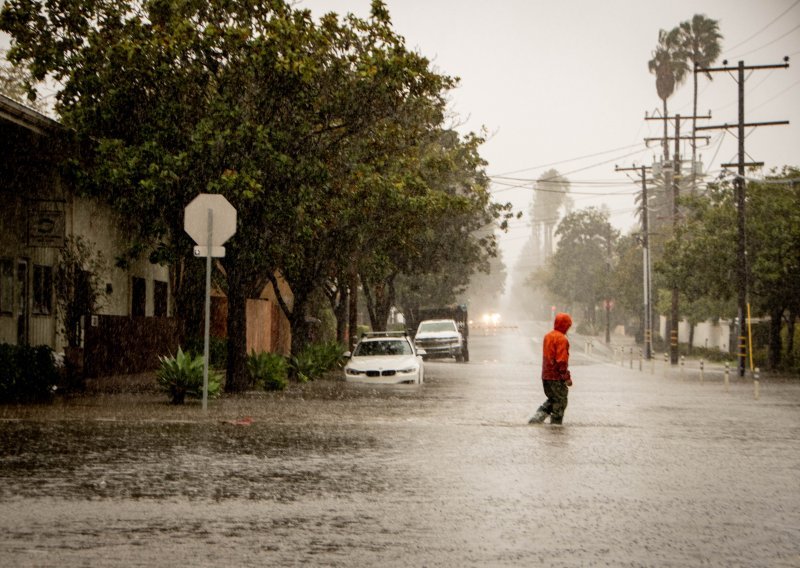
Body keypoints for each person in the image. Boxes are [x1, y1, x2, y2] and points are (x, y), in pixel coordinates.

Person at [529, 312, 573, 425]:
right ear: (565, 325)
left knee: (553, 398)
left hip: (546, 375)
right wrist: (566, 377)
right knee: (561, 400)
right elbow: (561, 361)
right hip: (556, 376)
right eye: (568, 325)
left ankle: (538, 417)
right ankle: (556, 425)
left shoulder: (548, 336)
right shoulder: (562, 339)